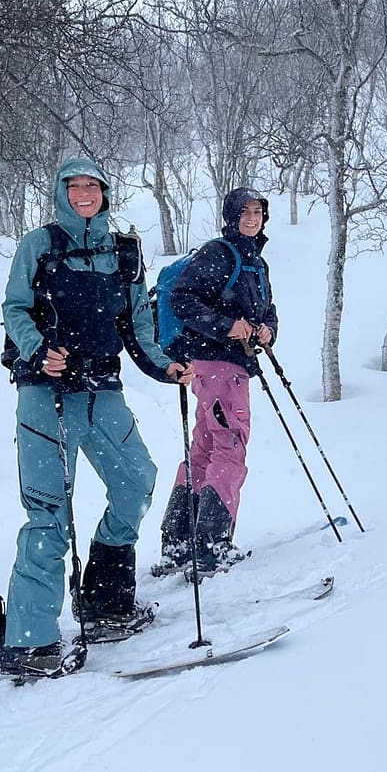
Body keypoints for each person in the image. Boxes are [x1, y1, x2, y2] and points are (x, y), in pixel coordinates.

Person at [0, 157, 193, 677]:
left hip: (101, 391)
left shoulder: (122, 251)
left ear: (105, 193)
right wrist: (40, 351)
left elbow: (138, 322)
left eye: (92, 186)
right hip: (46, 394)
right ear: (61, 192)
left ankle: (105, 602)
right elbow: (15, 309)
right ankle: (29, 641)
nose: (84, 194)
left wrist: (163, 364)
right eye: (74, 186)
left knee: (136, 481)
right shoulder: (38, 245)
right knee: (49, 516)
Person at [156, 187, 278, 578]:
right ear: (231, 216)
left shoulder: (254, 260)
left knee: (206, 447)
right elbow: (182, 299)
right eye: (245, 212)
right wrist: (228, 327)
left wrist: (266, 330)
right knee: (230, 446)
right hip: (220, 366)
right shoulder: (219, 253)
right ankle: (210, 545)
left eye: (258, 211)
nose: (253, 218)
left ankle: (179, 541)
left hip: (220, 367)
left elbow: (267, 309)